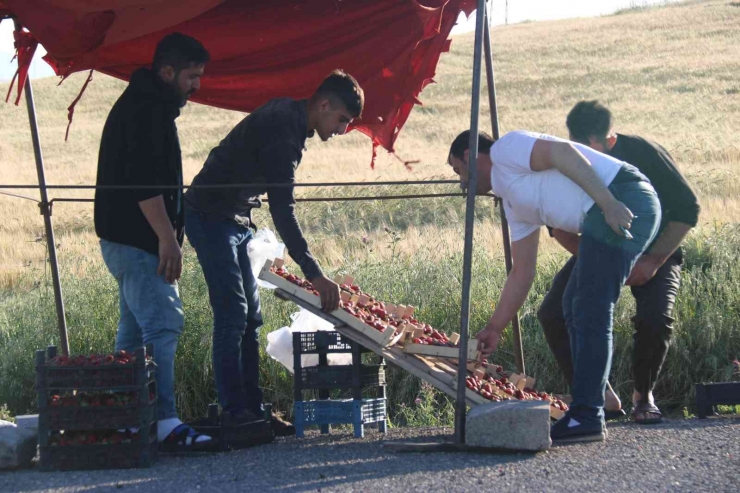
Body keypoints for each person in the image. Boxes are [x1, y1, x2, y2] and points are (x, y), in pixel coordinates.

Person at [447, 129, 661, 443]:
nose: (462, 182)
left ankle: (588, 415)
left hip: (621, 198)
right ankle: (595, 406)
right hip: (602, 214)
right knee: (568, 306)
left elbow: (562, 153)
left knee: (588, 306)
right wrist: (494, 327)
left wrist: (608, 202)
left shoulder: (506, 149)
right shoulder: (513, 203)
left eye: (458, 171)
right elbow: (522, 272)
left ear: (469, 155)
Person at [184, 70, 365, 435]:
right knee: (232, 313)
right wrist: (314, 273)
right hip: (209, 216)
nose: (343, 129)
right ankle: (234, 414)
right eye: (342, 119)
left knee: (251, 318)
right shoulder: (284, 127)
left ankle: (253, 409)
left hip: (236, 219)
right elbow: (283, 208)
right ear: (324, 104)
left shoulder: (293, 122)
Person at [537, 101, 700, 424]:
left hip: (656, 249)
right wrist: (599, 263)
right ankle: (598, 395)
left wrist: (653, 262)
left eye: (594, 150)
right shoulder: (566, 161)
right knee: (553, 312)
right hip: (600, 248)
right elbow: (558, 228)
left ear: (610, 141)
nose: (587, 161)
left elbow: (687, 210)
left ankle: (644, 396)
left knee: (655, 318)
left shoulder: (644, 152)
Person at [95, 32, 212, 451]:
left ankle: (128, 424)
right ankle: (164, 423)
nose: (196, 86)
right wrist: (167, 239)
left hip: (124, 238)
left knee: (132, 336)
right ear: (167, 72)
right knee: (163, 324)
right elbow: (144, 185)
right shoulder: (147, 111)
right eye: (191, 76)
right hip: (139, 240)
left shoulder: (146, 104)